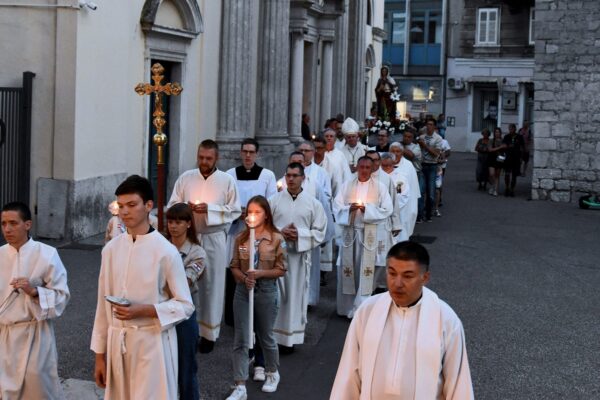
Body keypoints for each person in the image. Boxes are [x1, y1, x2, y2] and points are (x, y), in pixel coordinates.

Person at [91, 175, 194, 399]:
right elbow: (102, 304)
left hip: (153, 345)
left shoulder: (166, 251)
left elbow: (185, 305)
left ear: (148, 206)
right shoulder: (111, 250)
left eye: (131, 205)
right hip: (118, 345)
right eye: (120, 206)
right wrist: (100, 355)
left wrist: (146, 310)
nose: (124, 212)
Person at [330, 241, 474, 399]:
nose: (397, 283)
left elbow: (458, 381)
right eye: (392, 273)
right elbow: (349, 371)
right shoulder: (368, 310)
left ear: (425, 277)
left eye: (407, 276)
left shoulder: (445, 319)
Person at [168, 139, 242, 352]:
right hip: (188, 238)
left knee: (212, 284)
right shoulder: (186, 178)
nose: (204, 162)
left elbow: (235, 210)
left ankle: (209, 333)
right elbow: (173, 204)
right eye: (201, 157)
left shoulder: (226, 180)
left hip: (214, 237)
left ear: (216, 158)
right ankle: (187, 328)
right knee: (186, 281)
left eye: (208, 158)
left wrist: (209, 210)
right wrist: (186, 210)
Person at [0, 202, 70, 399]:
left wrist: (34, 292)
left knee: (38, 388)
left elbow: (62, 297)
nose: (7, 229)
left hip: (36, 335)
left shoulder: (47, 254)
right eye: (3, 223)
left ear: (27, 224)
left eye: (13, 223)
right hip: (4, 336)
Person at [226, 196, 287, 400]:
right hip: (243, 292)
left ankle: (272, 372)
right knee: (241, 338)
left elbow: (281, 269)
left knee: (265, 335)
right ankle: (240, 384)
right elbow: (234, 265)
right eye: (249, 212)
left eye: (257, 212)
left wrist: (259, 274)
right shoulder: (241, 239)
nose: (252, 216)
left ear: (266, 215)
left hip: (266, 291)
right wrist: (244, 277)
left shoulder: (276, 239)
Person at [269, 163, 327, 350]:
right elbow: (264, 227)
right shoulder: (273, 201)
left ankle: (289, 340)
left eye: (295, 175)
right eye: (288, 175)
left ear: (303, 178)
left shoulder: (313, 204)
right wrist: (280, 232)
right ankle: (271, 337)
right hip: (276, 258)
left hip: (299, 259)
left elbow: (320, 232)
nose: (291, 179)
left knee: (294, 297)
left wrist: (300, 235)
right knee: (275, 297)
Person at [225, 138, 277, 325]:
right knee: (235, 269)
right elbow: (226, 201)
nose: (248, 155)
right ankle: (233, 317)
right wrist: (236, 213)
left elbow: (272, 203)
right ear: (240, 153)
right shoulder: (229, 175)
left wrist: (257, 215)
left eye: (251, 152)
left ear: (257, 154)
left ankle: (256, 316)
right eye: (244, 151)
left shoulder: (267, 175)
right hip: (236, 230)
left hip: (258, 233)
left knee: (256, 270)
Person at [333, 157, 393, 318]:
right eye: (362, 167)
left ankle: (360, 308)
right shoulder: (347, 186)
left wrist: (368, 210)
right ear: (357, 168)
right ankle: (346, 307)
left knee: (365, 272)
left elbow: (388, 209)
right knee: (348, 269)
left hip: (369, 235)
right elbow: (336, 206)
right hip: (350, 233)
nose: (364, 170)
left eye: (367, 167)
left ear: (372, 168)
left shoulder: (380, 187)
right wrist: (349, 209)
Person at [165, 203, 206, 400]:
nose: (173, 226)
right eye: (171, 221)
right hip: (161, 311)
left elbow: (186, 280)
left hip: (183, 315)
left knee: (186, 368)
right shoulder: (161, 246)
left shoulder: (196, 252)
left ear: (188, 224)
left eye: (178, 222)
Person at [297, 142, 335, 306]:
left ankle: (309, 299)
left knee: (310, 268)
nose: (304, 154)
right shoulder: (284, 181)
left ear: (312, 153)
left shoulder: (318, 177)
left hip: (309, 231)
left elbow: (326, 200)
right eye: (301, 151)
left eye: (306, 151)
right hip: (289, 234)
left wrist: (324, 234)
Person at [389, 142, 420, 238]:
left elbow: (413, 189)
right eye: (392, 151)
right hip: (388, 205)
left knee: (402, 232)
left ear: (402, 153)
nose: (395, 153)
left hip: (404, 206)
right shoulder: (384, 164)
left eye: (398, 151)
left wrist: (412, 209)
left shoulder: (408, 166)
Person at [381, 153, 411, 243]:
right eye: (383, 165)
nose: (386, 167)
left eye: (388, 165)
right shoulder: (377, 177)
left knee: (397, 240)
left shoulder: (401, 178)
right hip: (381, 213)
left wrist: (390, 206)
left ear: (393, 164)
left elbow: (404, 196)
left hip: (397, 212)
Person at [417, 118, 443, 222]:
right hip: (422, 166)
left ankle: (429, 213)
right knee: (421, 191)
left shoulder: (438, 138)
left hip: (432, 166)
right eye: (427, 124)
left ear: (434, 127)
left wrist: (425, 146)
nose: (429, 126)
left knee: (431, 193)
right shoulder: (422, 137)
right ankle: (420, 215)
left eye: (431, 124)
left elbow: (436, 153)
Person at [502, 123, 526, 197]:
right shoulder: (506, 137)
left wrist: (521, 158)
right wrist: (507, 147)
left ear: (515, 129)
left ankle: (512, 189)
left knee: (514, 175)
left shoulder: (519, 137)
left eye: (512, 129)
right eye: (509, 129)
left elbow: (522, 148)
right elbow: (503, 147)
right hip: (508, 159)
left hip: (516, 159)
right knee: (507, 174)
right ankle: (507, 188)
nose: (510, 130)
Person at [487, 127, 506, 197]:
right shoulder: (491, 140)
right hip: (491, 159)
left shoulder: (503, 140)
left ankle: (496, 190)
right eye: (496, 132)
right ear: (494, 133)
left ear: (500, 133)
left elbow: (505, 148)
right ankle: (492, 186)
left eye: (498, 132)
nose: (497, 133)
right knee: (492, 174)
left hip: (499, 159)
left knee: (497, 175)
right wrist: (500, 147)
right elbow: (490, 150)